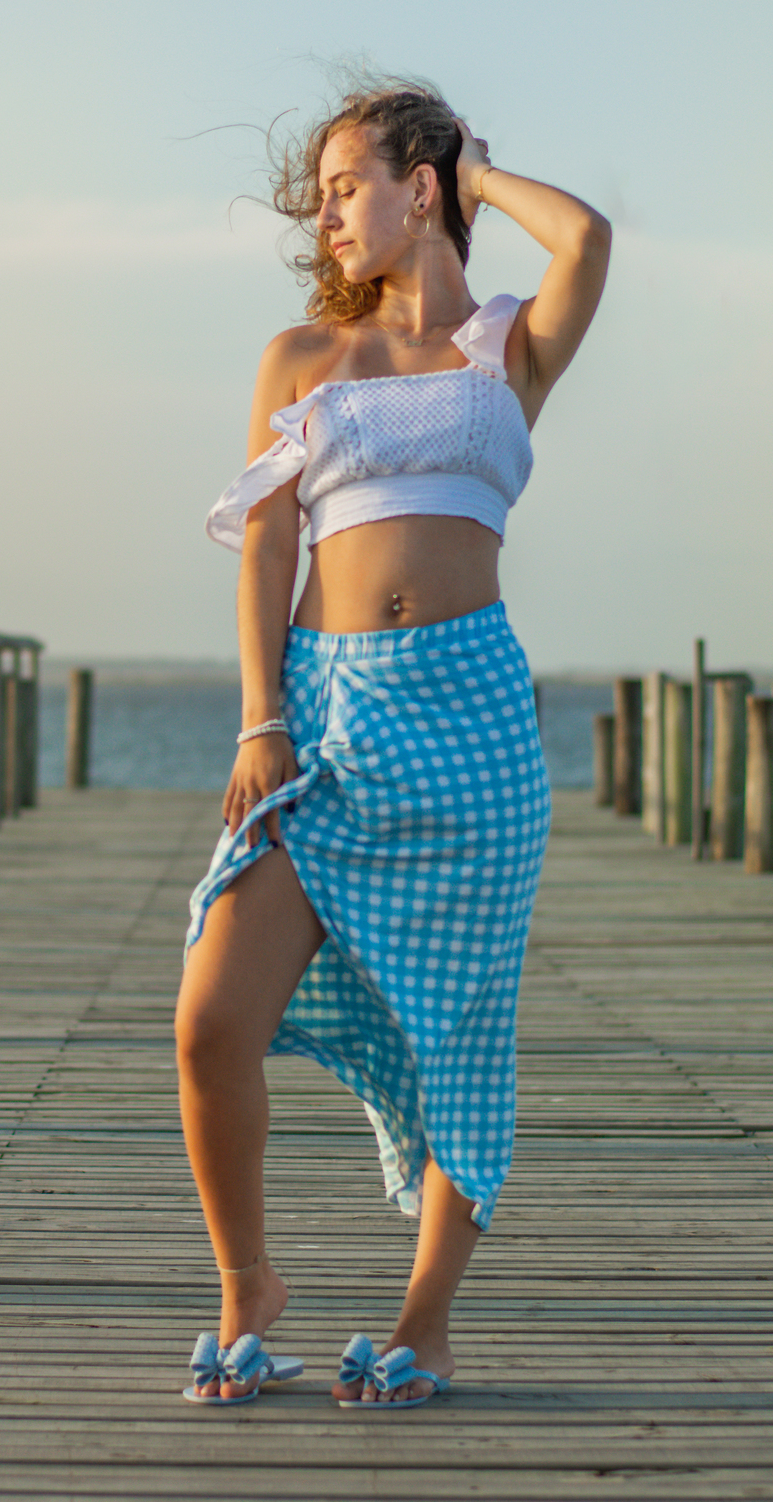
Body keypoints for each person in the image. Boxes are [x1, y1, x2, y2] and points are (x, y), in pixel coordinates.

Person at [175, 79, 610, 1408]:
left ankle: (426, 1323)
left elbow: (587, 237)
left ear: (418, 188)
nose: (326, 216)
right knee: (210, 1021)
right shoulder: (304, 357)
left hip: (470, 728)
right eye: (320, 195)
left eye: (347, 185)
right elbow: (267, 550)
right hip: (323, 719)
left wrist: (476, 175)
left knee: (463, 1039)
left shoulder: (508, 349)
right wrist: (260, 718)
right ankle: (248, 1286)